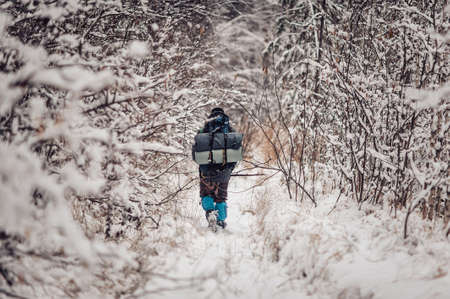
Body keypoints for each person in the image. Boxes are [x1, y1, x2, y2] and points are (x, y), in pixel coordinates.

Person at [198, 107, 236, 229]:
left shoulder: (203, 130)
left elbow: (196, 153)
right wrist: (230, 169)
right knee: (221, 197)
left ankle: (210, 213)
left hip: (206, 171)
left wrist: (203, 166)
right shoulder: (230, 131)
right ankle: (220, 220)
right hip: (224, 171)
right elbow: (236, 153)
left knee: (206, 194)